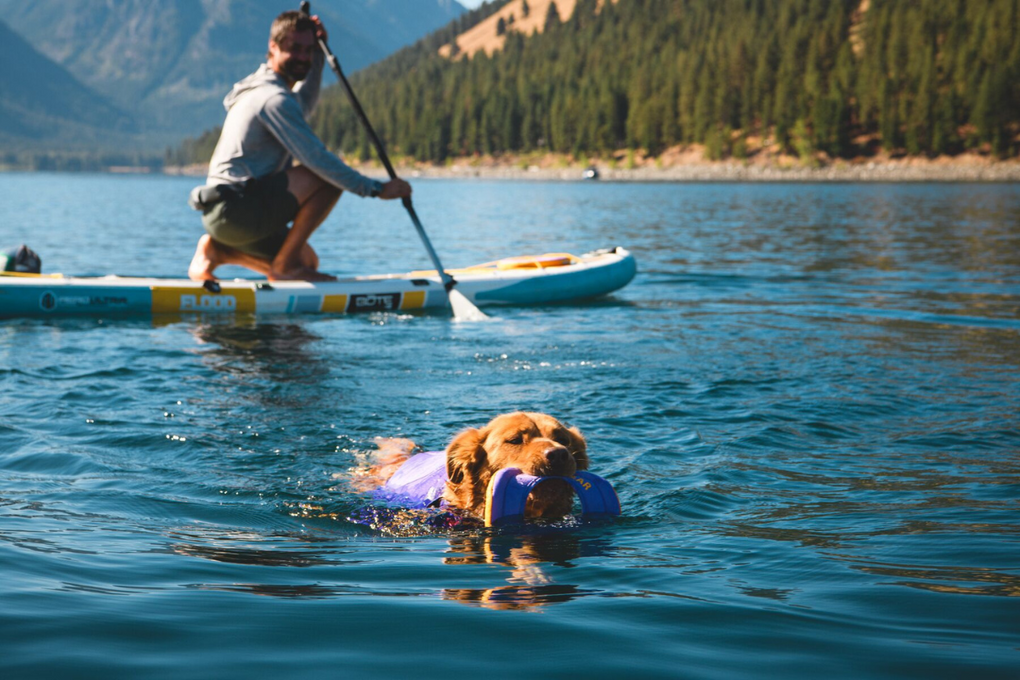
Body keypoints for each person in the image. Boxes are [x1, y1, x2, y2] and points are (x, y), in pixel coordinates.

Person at [188, 11, 411, 282]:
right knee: (328, 177)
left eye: (308, 50)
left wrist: (319, 55)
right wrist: (376, 189)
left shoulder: (270, 91)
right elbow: (317, 158)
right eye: (295, 49)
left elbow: (303, 104)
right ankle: (283, 269)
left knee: (307, 261)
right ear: (273, 47)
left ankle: (217, 252)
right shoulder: (272, 99)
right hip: (235, 210)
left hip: (225, 216)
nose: (303, 57)